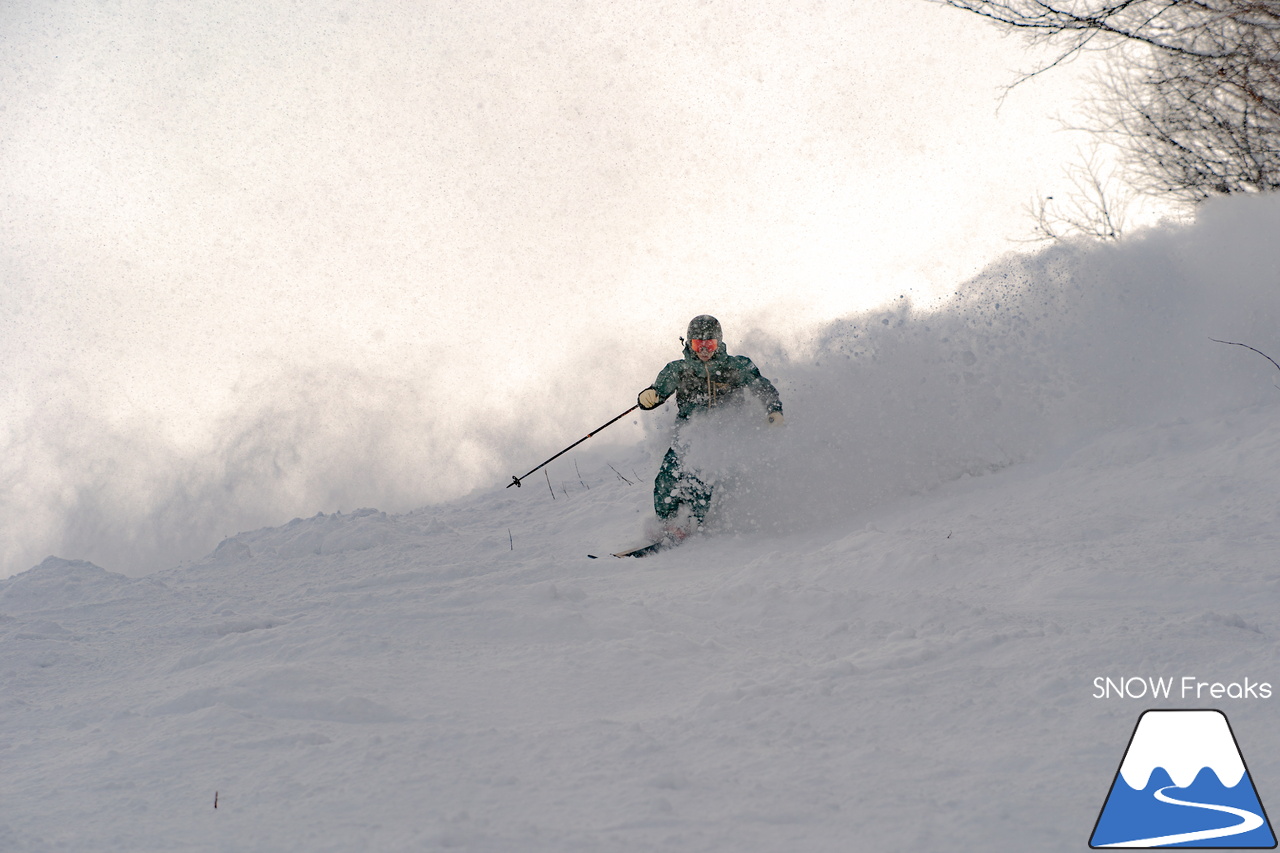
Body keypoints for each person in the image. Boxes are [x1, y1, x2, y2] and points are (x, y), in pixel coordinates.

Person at [636, 314, 783, 539]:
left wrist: (773, 409)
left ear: (719, 343)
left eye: (710, 344)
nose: (704, 350)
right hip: (688, 433)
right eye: (698, 344)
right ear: (689, 344)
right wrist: (650, 397)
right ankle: (667, 523)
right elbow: (659, 391)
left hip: (725, 433)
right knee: (668, 475)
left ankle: (692, 521)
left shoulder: (737, 366)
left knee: (701, 475)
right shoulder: (679, 369)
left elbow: (761, 386)